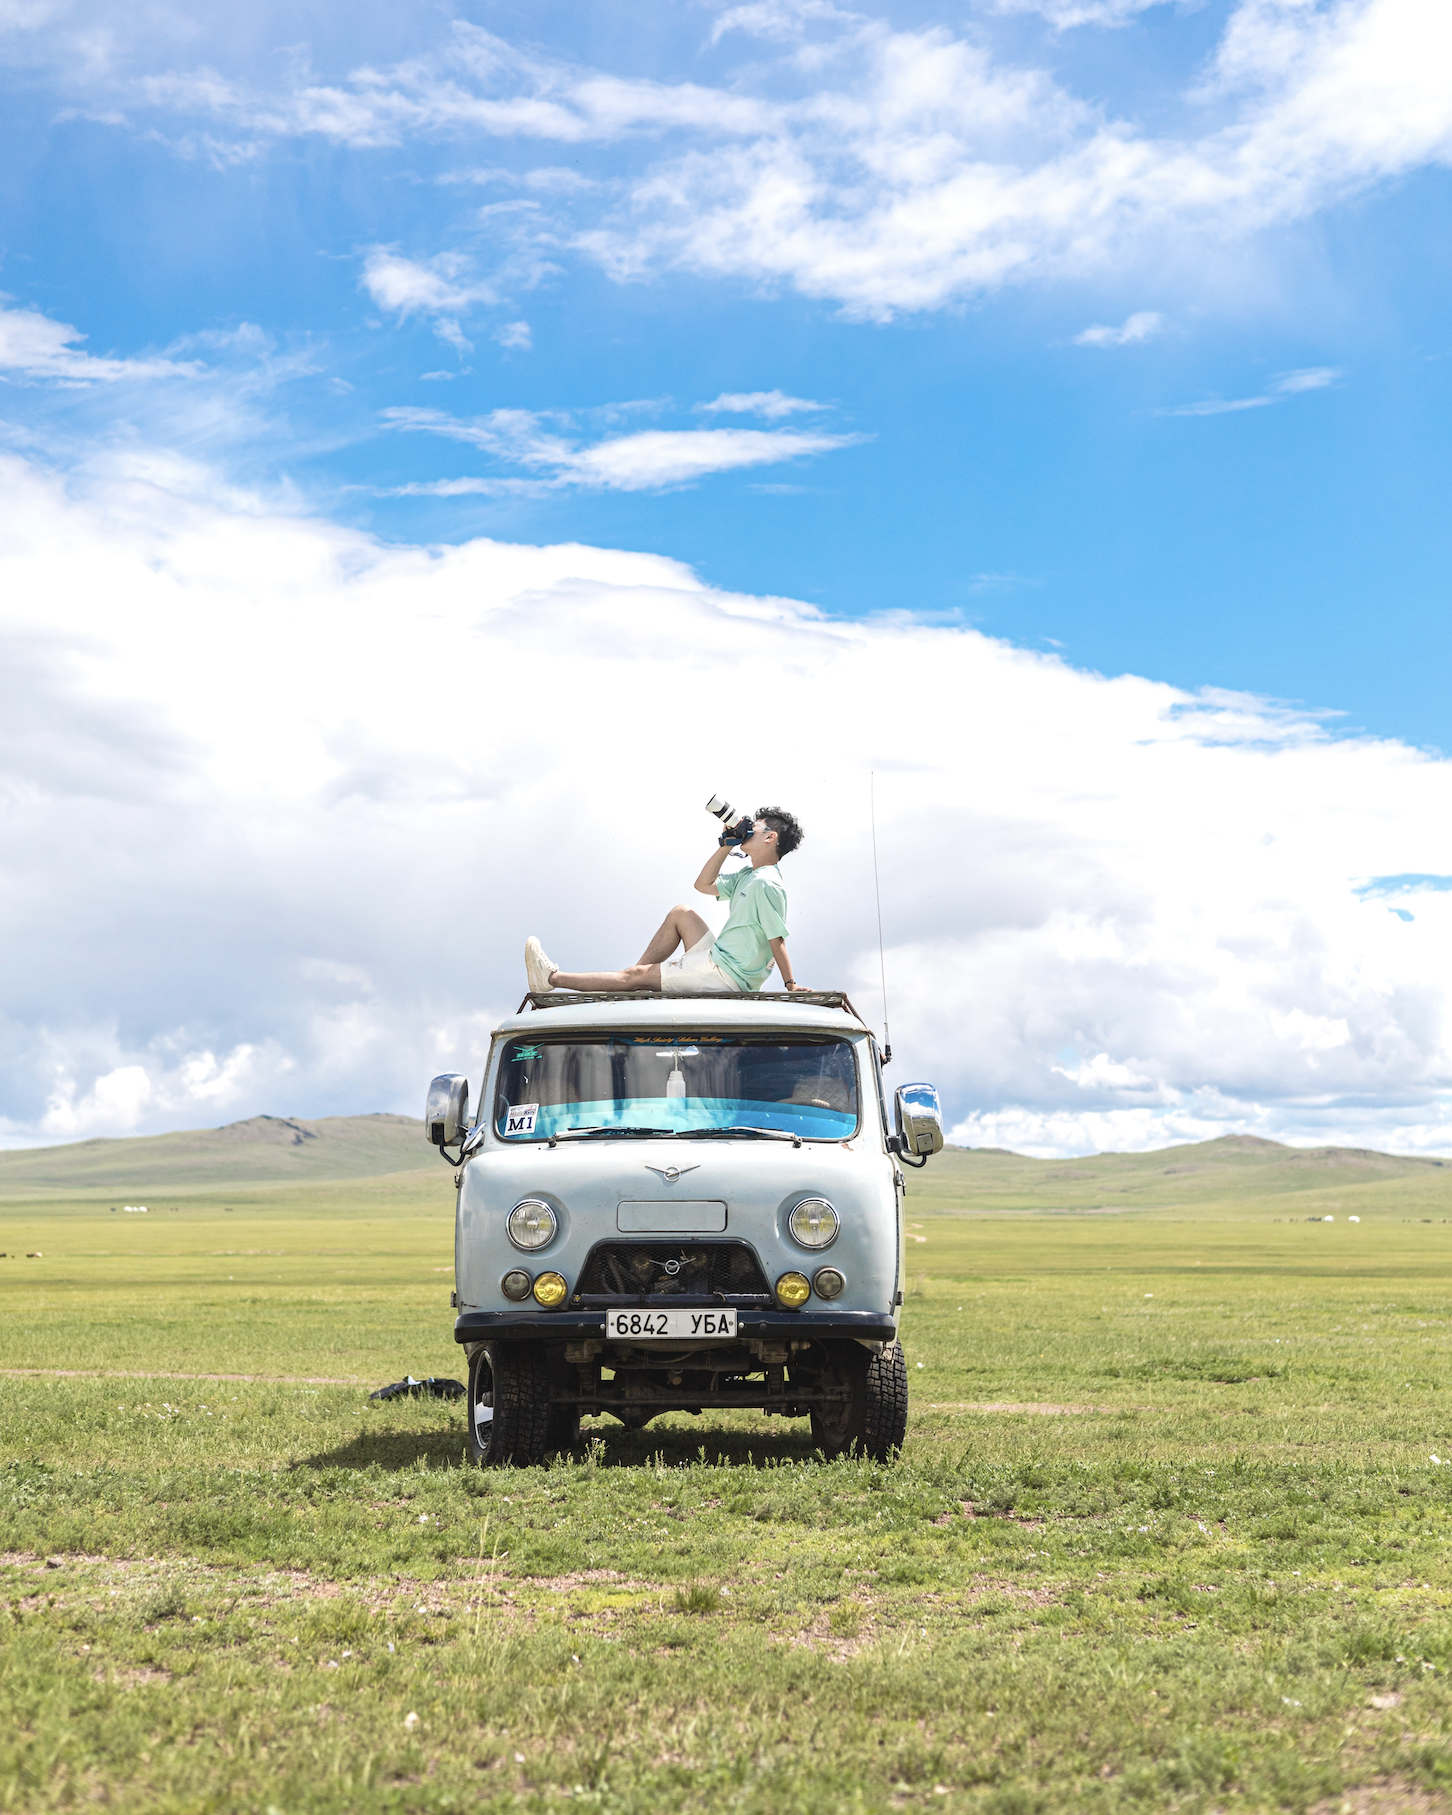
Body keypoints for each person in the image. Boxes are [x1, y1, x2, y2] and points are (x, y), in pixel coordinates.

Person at [526, 807, 807, 995]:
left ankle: (552, 979)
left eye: (755, 827)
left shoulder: (765, 882)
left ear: (770, 837)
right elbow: (703, 885)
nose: (747, 828)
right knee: (681, 913)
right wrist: (725, 847)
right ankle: (634, 983)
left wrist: (790, 985)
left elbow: (776, 938)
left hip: (726, 975)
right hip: (720, 957)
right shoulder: (750, 874)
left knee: (635, 975)